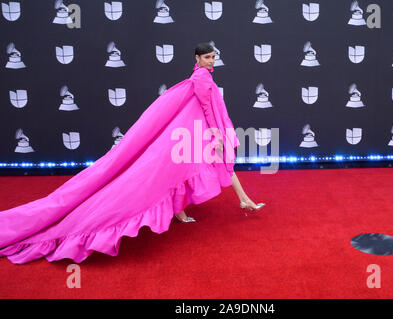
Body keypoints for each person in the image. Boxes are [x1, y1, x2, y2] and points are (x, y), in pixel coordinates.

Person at [0, 42, 265, 265]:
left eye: (213, 56)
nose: (211, 60)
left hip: (192, 133)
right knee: (191, 169)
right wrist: (218, 136)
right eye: (207, 57)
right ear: (197, 58)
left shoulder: (198, 77)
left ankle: (229, 202)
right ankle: (235, 202)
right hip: (195, 134)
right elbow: (207, 109)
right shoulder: (201, 79)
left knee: (197, 169)